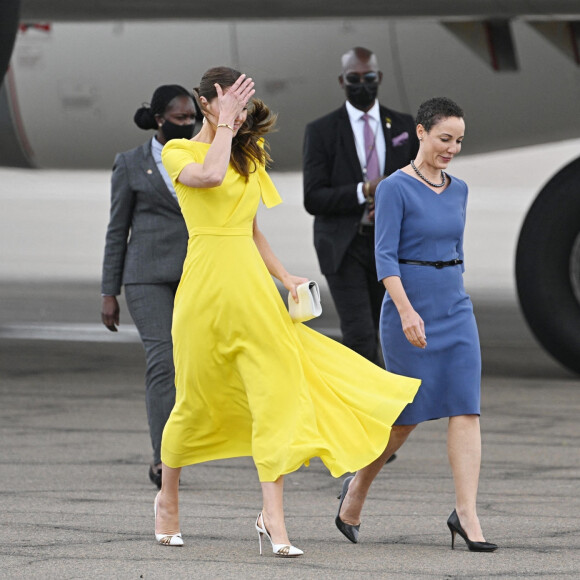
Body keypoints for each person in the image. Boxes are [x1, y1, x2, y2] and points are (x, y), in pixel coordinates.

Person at [153, 66, 421, 555]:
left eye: (237, 103)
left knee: (273, 399)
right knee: (193, 401)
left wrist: (285, 276)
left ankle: (273, 521)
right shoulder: (179, 151)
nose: (231, 111)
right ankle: (167, 500)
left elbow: (251, 229)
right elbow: (209, 177)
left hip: (253, 292)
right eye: (222, 102)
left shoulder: (248, 156)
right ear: (204, 102)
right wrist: (227, 124)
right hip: (204, 291)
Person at [333, 97, 498, 552]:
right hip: (409, 304)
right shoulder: (394, 188)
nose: (452, 148)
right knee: (405, 417)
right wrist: (406, 310)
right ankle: (357, 487)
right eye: (445, 138)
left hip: (454, 306)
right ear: (421, 133)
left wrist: (455, 298)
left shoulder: (459, 189)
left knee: (466, 407)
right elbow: (384, 258)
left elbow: (455, 248)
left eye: (459, 141)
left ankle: (466, 515)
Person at [101, 85, 196, 489]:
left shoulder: (204, 158)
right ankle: (163, 459)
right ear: (159, 119)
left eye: (193, 118)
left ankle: (192, 446)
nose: (189, 125)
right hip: (147, 278)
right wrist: (109, 291)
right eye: (179, 119)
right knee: (165, 362)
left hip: (196, 274)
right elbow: (116, 229)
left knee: (197, 368)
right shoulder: (130, 164)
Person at [303, 46, 419, 366]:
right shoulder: (322, 131)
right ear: (342, 81)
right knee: (359, 335)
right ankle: (366, 413)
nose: (362, 84)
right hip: (344, 245)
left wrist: (389, 205)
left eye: (368, 77)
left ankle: (386, 408)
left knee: (389, 332)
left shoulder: (404, 126)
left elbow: (419, 185)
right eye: (354, 78)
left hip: (389, 246)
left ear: (379, 77)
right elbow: (313, 198)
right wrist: (365, 190)